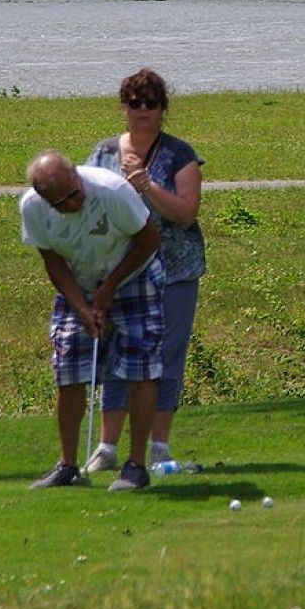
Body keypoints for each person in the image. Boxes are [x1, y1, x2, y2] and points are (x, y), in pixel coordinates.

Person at [20, 150, 168, 491]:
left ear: (76, 174)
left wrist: (110, 287)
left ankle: (135, 467)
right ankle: (68, 466)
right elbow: (53, 261)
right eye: (60, 203)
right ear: (44, 198)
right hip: (80, 280)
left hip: (135, 275)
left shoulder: (111, 191)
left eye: (74, 194)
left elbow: (149, 239)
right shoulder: (32, 208)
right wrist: (83, 308)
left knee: (140, 367)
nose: (72, 204)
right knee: (68, 365)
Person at [82, 68, 205, 473]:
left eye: (152, 102)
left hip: (174, 270)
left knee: (166, 357)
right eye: (135, 102)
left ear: (163, 108)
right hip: (119, 270)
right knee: (117, 356)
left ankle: (159, 447)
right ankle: (106, 448)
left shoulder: (180, 155)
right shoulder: (102, 154)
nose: (143, 109)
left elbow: (186, 214)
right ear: (123, 107)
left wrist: (147, 186)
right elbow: (83, 206)